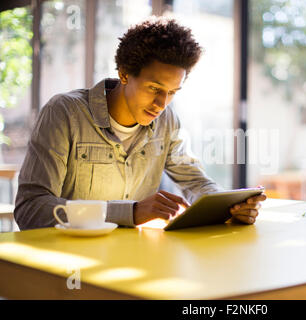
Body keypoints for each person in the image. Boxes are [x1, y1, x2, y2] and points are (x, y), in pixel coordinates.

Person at [14, 16, 266, 230]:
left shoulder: (166, 121)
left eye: (172, 92)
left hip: (133, 260)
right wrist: (129, 212)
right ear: (124, 73)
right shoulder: (64, 113)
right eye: (154, 88)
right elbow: (30, 208)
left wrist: (230, 207)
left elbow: (195, 182)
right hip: (67, 265)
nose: (161, 103)